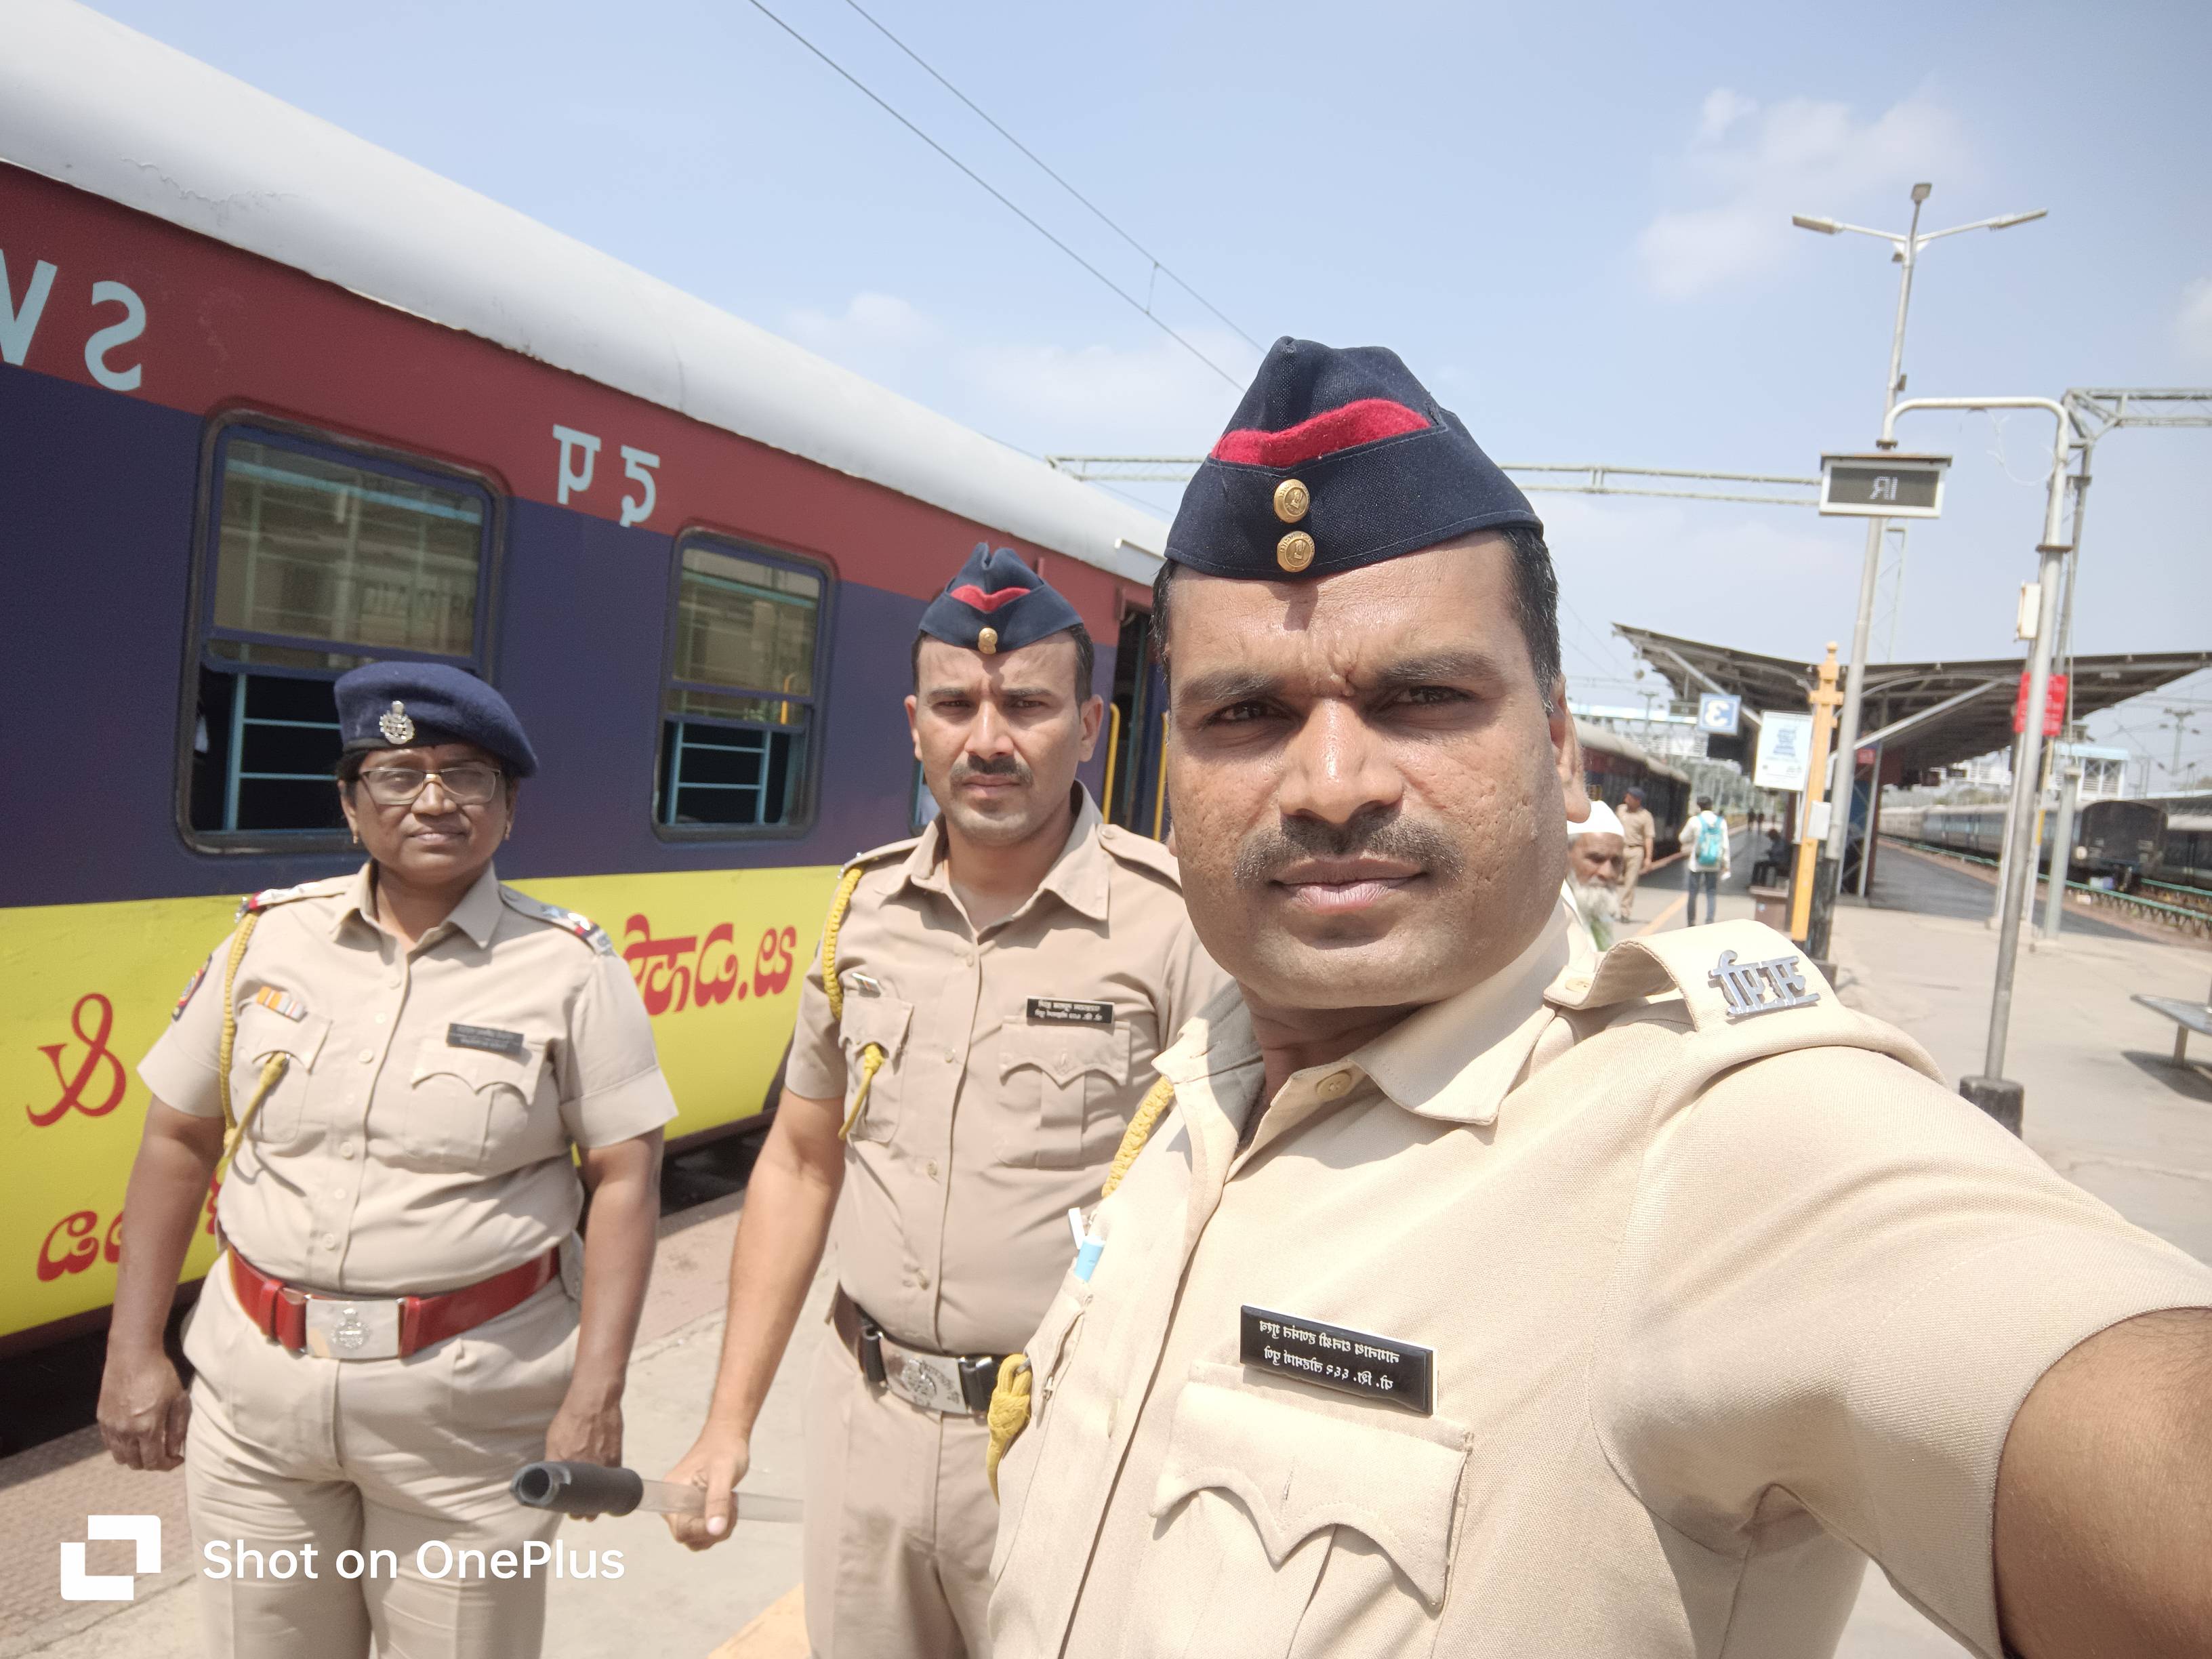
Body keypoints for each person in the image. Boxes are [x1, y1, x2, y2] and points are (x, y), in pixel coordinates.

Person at [984, 338, 2212, 1659]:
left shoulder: (1715, 1143)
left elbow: (2128, 1426)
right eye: (1244, 714)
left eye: (1421, 697)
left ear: (1558, 743)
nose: (1330, 782)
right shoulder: (1202, 1080)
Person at [663, 546, 1228, 1659]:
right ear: (915, 724)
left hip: (1069, 1436)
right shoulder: (861, 911)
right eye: (957, 705)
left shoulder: (1174, 927)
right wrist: (725, 1425)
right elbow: (801, 1161)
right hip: (866, 1427)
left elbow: (1230, 1199)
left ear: (1090, 727)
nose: (988, 738)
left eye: (1027, 705)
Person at [101, 662, 675, 1659]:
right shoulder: (266, 943)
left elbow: (625, 1177)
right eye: (399, 775)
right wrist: (132, 1351)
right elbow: (177, 1138)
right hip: (256, 1408)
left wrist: (595, 1394)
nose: (435, 800)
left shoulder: (570, 968)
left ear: (509, 809)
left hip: (468, 1419)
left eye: (469, 776)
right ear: (351, 803)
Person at [1565, 799, 1628, 951]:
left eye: (1616, 862)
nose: (1607, 873)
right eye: (1596, 859)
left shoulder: (1596, 910)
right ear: (1564, 855)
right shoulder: (1549, 919)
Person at [1679, 793, 1730, 924]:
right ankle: (1709, 920)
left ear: (1699, 806)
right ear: (1711, 806)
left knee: (1693, 892)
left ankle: (1691, 921)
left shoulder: (1695, 821)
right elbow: (1725, 845)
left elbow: (1682, 838)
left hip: (1696, 863)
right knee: (1711, 892)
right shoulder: (1721, 822)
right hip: (1714, 862)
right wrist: (1726, 865)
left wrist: (1693, 839)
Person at [1615, 785, 1656, 920]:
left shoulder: (1646, 816)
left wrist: (1648, 858)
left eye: (1629, 798)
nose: (1626, 799)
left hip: (1635, 851)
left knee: (1630, 882)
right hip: (1619, 849)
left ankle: (1625, 911)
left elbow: (1648, 837)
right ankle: (1609, 909)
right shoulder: (1620, 810)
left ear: (1638, 800)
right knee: (1612, 879)